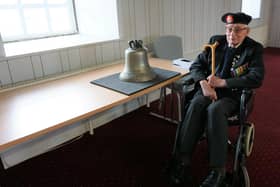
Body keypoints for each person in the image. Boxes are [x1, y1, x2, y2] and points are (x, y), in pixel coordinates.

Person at [168, 12, 265, 187]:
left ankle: (217, 171)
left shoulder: (253, 49)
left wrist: (223, 82)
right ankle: (182, 161)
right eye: (229, 30)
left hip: (233, 94)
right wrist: (203, 83)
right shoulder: (216, 42)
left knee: (215, 109)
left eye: (238, 30)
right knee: (196, 103)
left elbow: (256, 78)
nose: (232, 35)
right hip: (208, 90)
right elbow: (196, 65)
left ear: (247, 31)